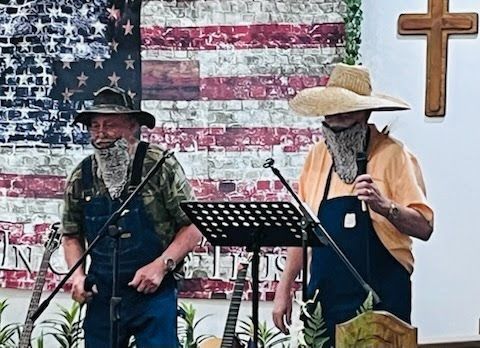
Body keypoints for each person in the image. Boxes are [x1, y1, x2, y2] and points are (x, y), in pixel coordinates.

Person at [272, 64, 434, 344]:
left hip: (381, 296)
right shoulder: (316, 157)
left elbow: (424, 227)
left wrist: (384, 206)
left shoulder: (393, 155)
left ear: (366, 114)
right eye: (333, 114)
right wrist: (283, 287)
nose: (338, 122)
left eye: (347, 113)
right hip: (324, 298)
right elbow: (302, 232)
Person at [61, 86, 202, 348]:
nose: (101, 134)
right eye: (95, 125)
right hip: (101, 293)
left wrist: (161, 265)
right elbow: (70, 234)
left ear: (132, 125)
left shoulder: (160, 165)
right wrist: (77, 276)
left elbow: (193, 226)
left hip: (153, 292)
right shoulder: (81, 176)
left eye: (110, 125)